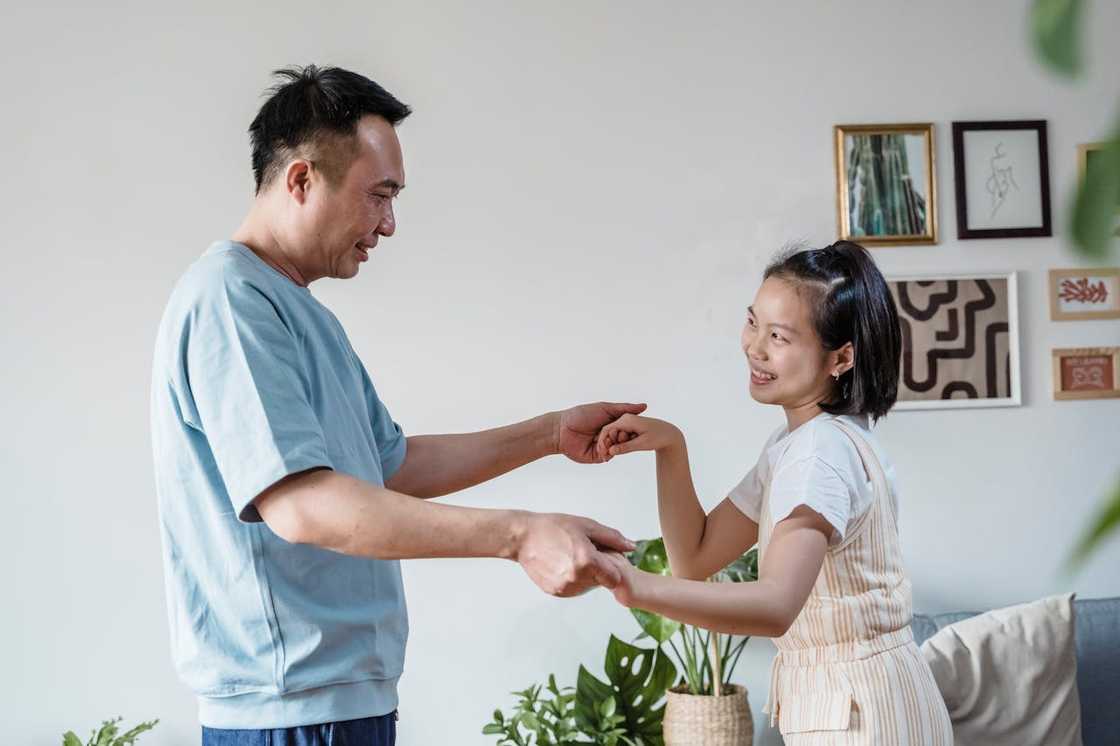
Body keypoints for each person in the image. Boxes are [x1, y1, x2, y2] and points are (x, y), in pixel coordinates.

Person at [150, 65, 639, 746]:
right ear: (300, 180)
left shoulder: (298, 311)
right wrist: (518, 534)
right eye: (378, 196)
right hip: (289, 713)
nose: (389, 224)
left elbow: (391, 463)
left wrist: (550, 433)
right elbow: (302, 505)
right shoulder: (230, 301)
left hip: (339, 702)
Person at [595, 241, 953, 743]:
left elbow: (776, 604)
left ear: (842, 357)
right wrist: (671, 449)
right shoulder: (802, 442)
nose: (754, 347)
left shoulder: (818, 453)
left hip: (861, 715)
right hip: (866, 701)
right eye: (752, 322)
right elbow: (694, 558)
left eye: (779, 337)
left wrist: (630, 584)